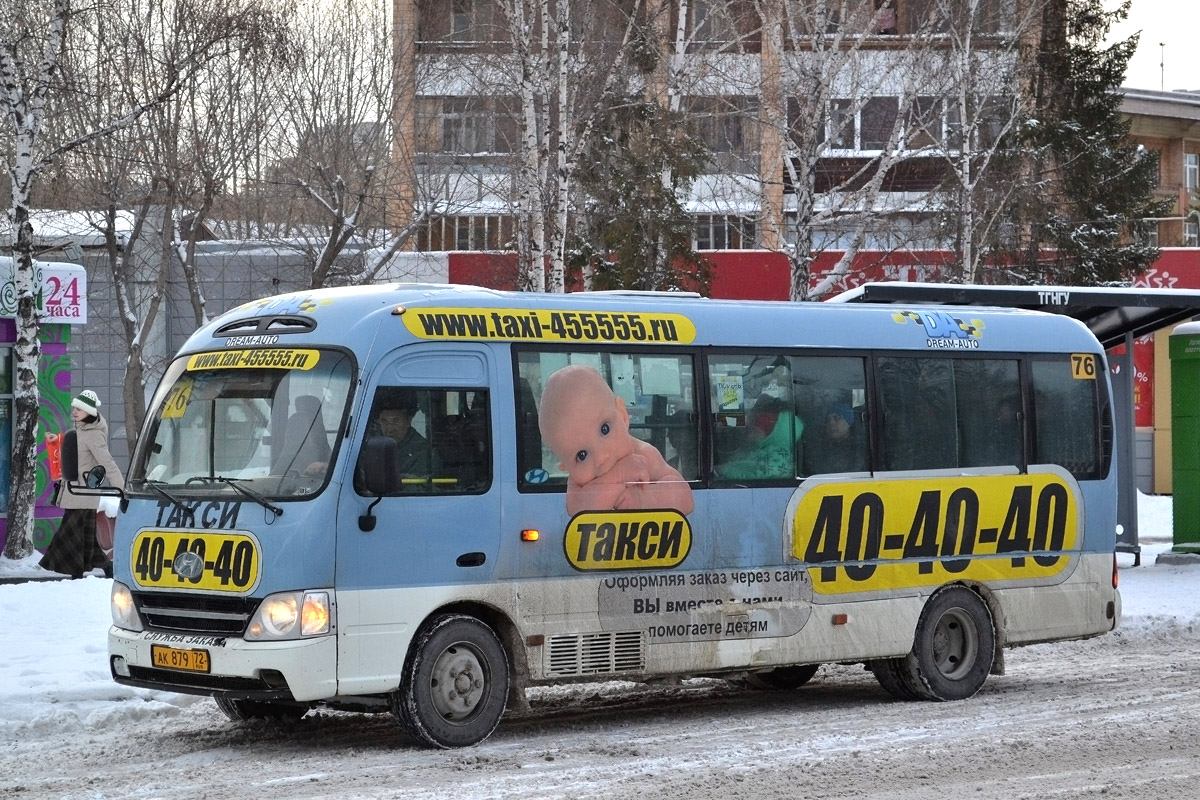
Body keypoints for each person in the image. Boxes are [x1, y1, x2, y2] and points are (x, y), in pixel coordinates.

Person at [538, 365, 694, 516]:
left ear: (623, 415)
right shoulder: (579, 481)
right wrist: (618, 477)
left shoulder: (643, 454)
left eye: (604, 429)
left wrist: (645, 501)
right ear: (566, 467)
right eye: (582, 455)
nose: (601, 457)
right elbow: (578, 509)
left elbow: (685, 499)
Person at [39, 390, 125, 579]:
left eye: (79, 409)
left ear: (89, 411)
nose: (75, 411)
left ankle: (75, 573)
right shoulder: (82, 432)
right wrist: (58, 439)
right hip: (76, 491)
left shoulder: (95, 435)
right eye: (74, 408)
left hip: (83, 492)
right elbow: (76, 446)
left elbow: (107, 462)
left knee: (71, 534)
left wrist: (121, 488)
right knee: (84, 535)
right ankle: (105, 566)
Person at [355, 387, 434, 491]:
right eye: (384, 421)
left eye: (395, 421)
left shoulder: (424, 453)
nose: (390, 429)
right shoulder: (368, 446)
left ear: (408, 421)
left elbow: (416, 491)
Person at [803, 403, 869, 476]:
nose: (831, 423)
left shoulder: (859, 448)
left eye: (837, 418)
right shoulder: (819, 447)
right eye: (828, 420)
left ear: (849, 422)